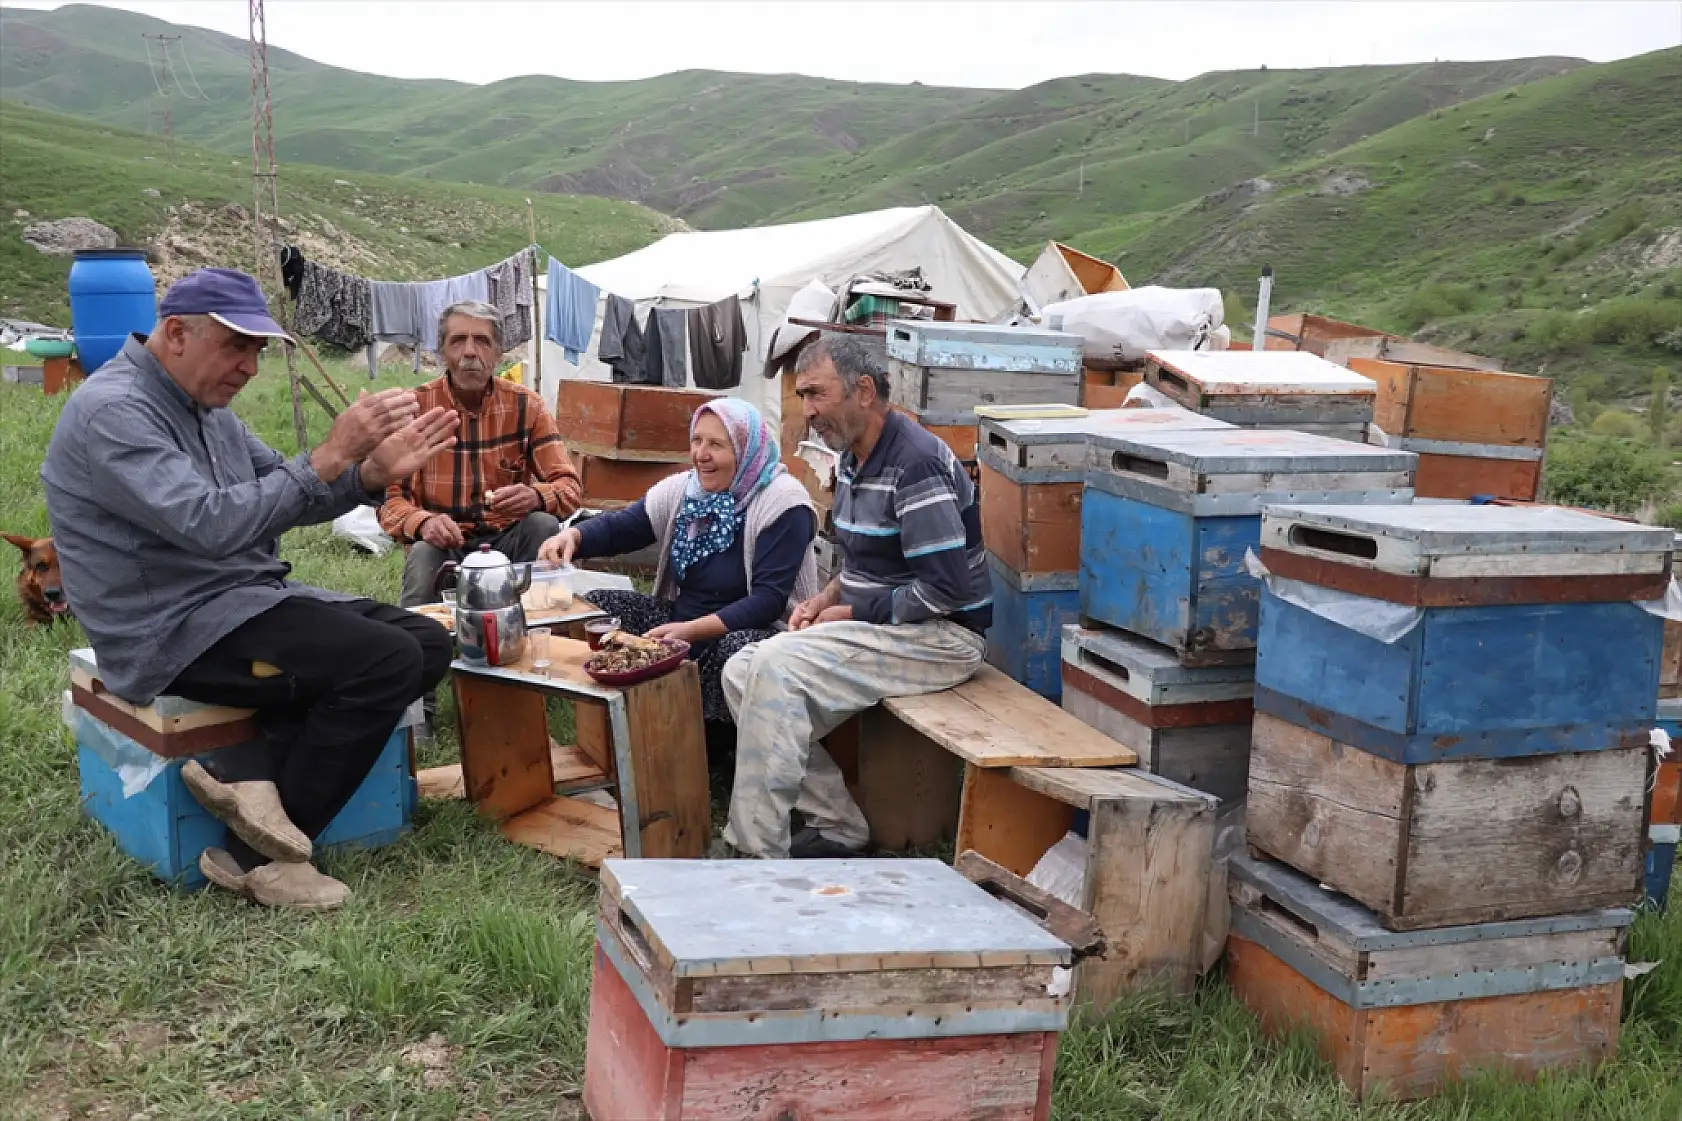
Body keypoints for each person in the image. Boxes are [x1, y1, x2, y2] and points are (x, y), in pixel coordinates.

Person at [42, 267, 460, 910]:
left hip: (239, 600)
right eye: (236, 346)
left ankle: (248, 774)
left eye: (258, 350)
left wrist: (368, 473)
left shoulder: (210, 411)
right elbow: (210, 525)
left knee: (426, 642)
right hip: (170, 628)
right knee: (386, 661)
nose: (249, 366)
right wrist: (328, 455)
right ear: (176, 332)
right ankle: (264, 861)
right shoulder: (114, 411)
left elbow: (283, 497)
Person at [717, 335, 991, 860]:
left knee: (773, 665)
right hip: (891, 627)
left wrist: (851, 610)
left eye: (817, 394)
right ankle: (838, 824)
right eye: (804, 397)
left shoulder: (916, 464)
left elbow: (947, 589)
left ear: (864, 390)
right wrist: (825, 597)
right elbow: (866, 561)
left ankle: (754, 852)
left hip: (945, 637)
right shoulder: (853, 458)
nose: (809, 411)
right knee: (740, 671)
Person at [538, 398, 819, 731]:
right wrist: (574, 537)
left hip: (760, 633)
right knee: (602, 607)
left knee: (739, 650)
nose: (701, 454)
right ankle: (621, 717)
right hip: (683, 623)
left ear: (747, 450)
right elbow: (625, 526)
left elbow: (768, 602)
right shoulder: (686, 491)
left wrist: (689, 632)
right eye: (697, 440)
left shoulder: (784, 502)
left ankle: (713, 732)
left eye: (717, 444)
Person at [377, 299, 583, 609]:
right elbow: (387, 501)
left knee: (542, 525)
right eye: (458, 340)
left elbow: (570, 488)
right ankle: (418, 642)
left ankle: (540, 628)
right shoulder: (415, 408)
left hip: (506, 540)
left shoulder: (527, 406)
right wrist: (422, 523)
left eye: (482, 341)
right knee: (422, 552)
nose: (470, 352)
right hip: (443, 542)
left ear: (498, 353)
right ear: (442, 352)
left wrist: (536, 496)